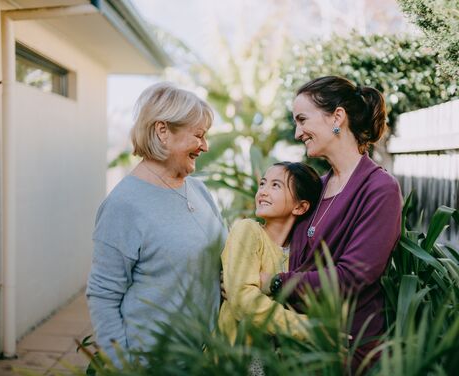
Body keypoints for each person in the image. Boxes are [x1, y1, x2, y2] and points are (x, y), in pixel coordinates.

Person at [262, 76, 402, 372]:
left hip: (345, 350)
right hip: (299, 347)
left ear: (337, 117)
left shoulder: (379, 189)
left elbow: (353, 277)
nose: (298, 132)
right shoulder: (316, 187)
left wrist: (273, 283)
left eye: (302, 119)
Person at [86, 82, 227, 365]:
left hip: (206, 356)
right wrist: (122, 366)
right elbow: (103, 295)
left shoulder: (199, 190)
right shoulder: (123, 205)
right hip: (154, 361)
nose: (205, 146)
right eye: (198, 135)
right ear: (163, 131)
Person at [218, 162, 322, 344]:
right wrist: (308, 329)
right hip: (235, 358)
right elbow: (243, 300)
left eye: (276, 185)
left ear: (300, 207)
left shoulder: (301, 255)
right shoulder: (248, 230)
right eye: (263, 183)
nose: (263, 192)